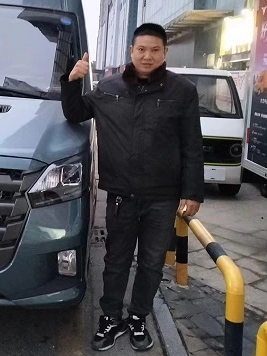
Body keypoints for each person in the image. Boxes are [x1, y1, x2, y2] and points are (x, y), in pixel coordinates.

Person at [61, 23, 204, 352]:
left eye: (155, 50)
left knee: (152, 264)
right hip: (121, 196)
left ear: (165, 52)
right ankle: (111, 318)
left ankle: (138, 317)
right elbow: (75, 113)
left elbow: (192, 145)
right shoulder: (108, 88)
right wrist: (72, 81)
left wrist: (193, 192)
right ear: (131, 51)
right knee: (116, 261)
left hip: (163, 197)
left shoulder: (182, 91)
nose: (147, 56)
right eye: (141, 49)